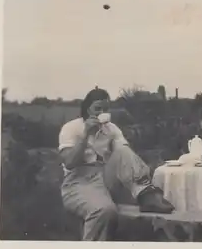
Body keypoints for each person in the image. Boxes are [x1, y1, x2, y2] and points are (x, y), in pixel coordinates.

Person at [58, 87, 174, 241]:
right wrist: (86, 135)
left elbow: (125, 155)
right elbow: (69, 162)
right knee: (104, 211)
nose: (101, 113)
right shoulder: (72, 128)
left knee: (122, 150)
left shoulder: (111, 129)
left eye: (105, 109)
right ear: (87, 109)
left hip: (105, 177)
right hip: (78, 182)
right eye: (97, 109)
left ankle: (146, 195)